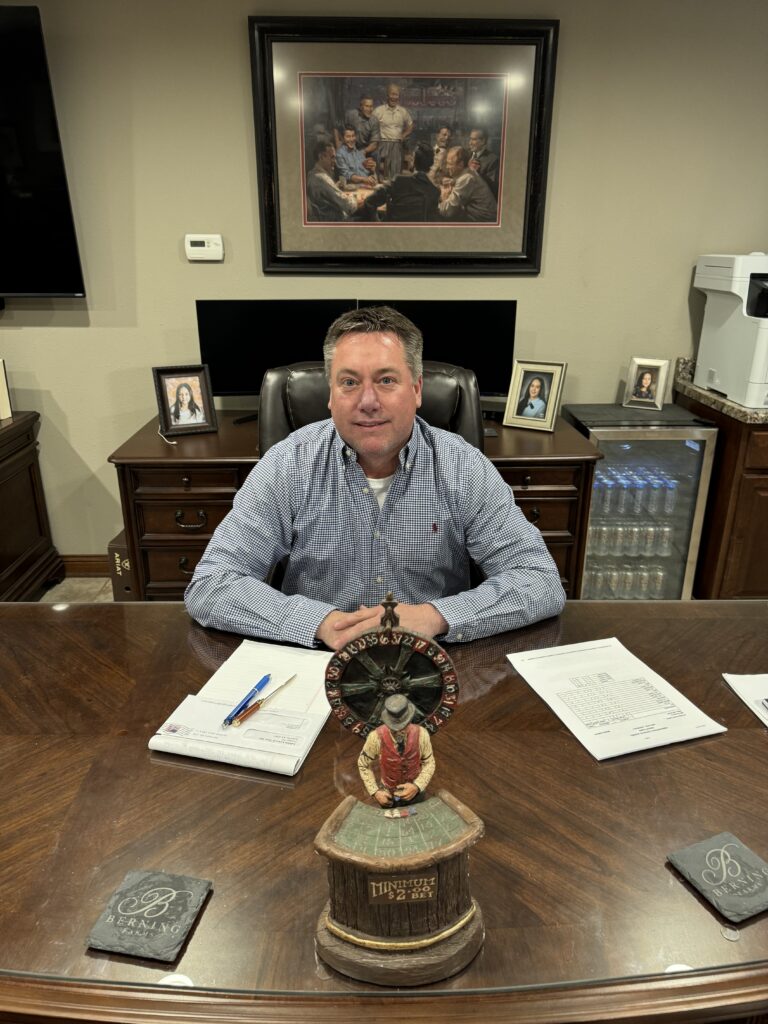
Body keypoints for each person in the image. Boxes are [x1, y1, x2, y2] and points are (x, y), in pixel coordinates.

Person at [184, 305, 565, 650]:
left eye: (386, 380)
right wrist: (318, 623)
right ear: (330, 394)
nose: (367, 401)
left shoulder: (463, 468)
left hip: (431, 668)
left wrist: (435, 617)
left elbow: (539, 581)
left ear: (416, 390)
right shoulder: (289, 465)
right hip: (317, 666)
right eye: (349, 382)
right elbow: (212, 584)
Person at [357, 695, 434, 807]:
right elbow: (363, 764)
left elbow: (429, 762)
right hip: (388, 796)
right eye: (394, 727)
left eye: (404, 725)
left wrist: (417, 786)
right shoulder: (375, 738)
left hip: (416, 794)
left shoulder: (422, 734)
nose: (399, 730)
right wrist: (375, 792)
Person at [363, 143, 439, 221]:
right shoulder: (435, 192)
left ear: (413, 160)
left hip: (390, 231)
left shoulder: (399, 181)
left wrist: (378, 225)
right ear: (431, 164)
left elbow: (369, 202)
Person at [437, 146, 497, 223]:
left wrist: (444, 198)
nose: (447, 167)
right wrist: (453, 182)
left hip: (483, 221)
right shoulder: (469, 172)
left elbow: (447, 212)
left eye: (450, 164)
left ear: (461, 164)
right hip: (479, 216)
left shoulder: (466, 178)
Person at [306, 141, 362, 222]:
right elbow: (349, 207)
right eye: (332, 157)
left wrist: (335, 187)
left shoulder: (311, 174)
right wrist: (355, 198)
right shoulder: (322, 178)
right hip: (336, 223)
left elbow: (325, 194)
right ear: (321, 157)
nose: (335, 161)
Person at [373, 83, 413, 181]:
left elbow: (410, 125)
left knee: (396, 175)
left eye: (396, 94)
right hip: (382, 145)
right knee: (381, 173)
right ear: (387, 95)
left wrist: (404, 135)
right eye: (392, 94)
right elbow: (371, 127)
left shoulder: (403, 111)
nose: (394, 97)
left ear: (399, 96)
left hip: (397, 145)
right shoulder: (378, 110)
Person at [467, 128, 500, 199]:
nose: (470, 143)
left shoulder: (493, 159)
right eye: (470, 139)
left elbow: (493, 187)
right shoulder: (467, 155)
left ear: (483, 141)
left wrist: (477, 173)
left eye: (474, 139)